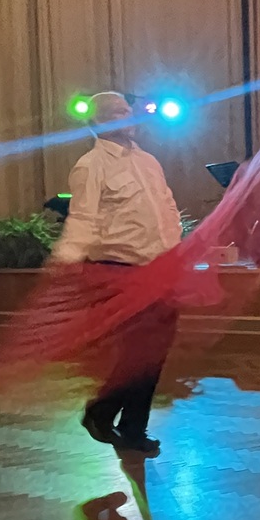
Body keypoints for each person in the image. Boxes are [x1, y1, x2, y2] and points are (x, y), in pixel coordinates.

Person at [51, 91, 182, 454]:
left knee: (154, 351)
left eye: (129, 111)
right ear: (100, 121)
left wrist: (175, 250)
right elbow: (84, 218)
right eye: (120, 112)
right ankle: (120, 423)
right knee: (141, 350)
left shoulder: (149, 161)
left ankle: (114, 418)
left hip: (157, 269)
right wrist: (66, 258)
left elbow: (167, 206)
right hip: (119, 271)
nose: (131, 117)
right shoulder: (90, 166)